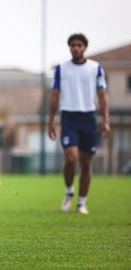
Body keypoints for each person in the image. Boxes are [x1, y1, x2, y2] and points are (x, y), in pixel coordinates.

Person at [48, 33, 109, 215]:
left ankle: (81, 203)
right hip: (68, 117)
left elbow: (102, 95)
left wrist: (106, 120)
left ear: (84, 48)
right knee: (71, 157)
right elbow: (55, 95)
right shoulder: (61, 69)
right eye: (73, 45)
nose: (76, 48)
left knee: (86, 161)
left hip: (88, 117)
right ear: (69, 48)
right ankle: (69, 191)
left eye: (79, 45)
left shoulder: (95, 68)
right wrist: (50, 122)